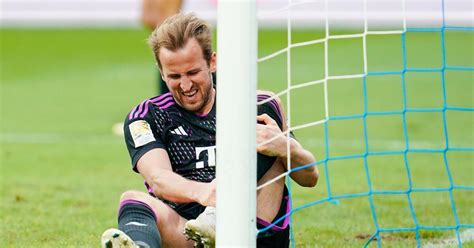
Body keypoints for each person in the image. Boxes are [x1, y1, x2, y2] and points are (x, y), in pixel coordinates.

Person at [101, 13, 318, 248]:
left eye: (193, 72)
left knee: (268, 143)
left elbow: (309, 178)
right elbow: (159, 178)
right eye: (174, 76)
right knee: (132, 200)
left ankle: (216, 222)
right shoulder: (147, 116)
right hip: (189, 234)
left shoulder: (257, 105)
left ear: (212, 62)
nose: (185, 85)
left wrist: (286, 148)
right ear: (161, 71)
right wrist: (208, 194)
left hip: (253, 234)